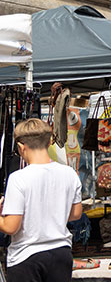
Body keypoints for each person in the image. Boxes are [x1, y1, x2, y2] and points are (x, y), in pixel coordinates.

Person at [0, 118, 82, 282]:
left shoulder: (18, 178)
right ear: (49, 141)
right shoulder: (69, 173)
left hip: (27, 256)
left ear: (21, 146)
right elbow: (75, 214)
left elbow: (11, 227)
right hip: (61, 252)